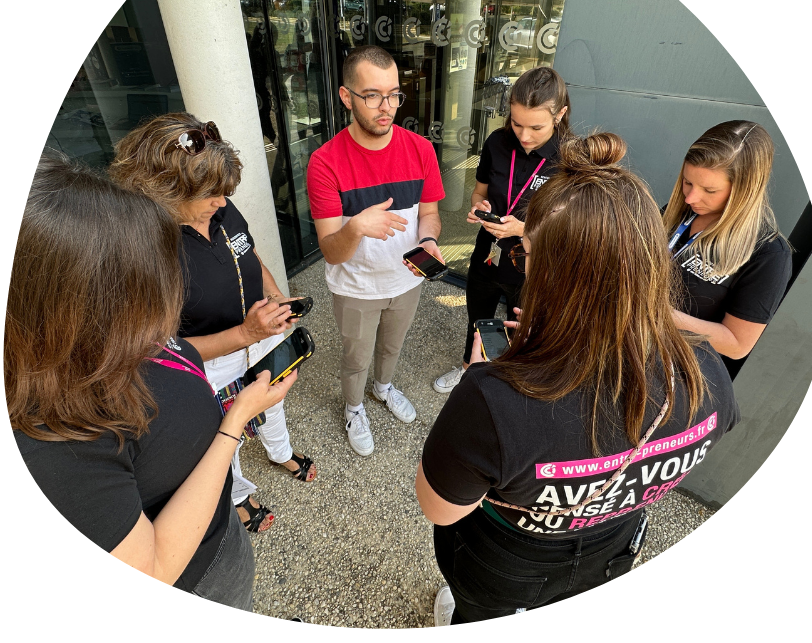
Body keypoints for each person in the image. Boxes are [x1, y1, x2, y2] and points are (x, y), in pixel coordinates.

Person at [416, 133, 740, 624]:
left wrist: (485, 375)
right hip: (613, 549)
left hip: (505, 560)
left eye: (525, 256)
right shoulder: (708, 373)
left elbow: (441, 510)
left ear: (551, 274)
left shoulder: (491, 398)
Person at [8, 153, 296, 609]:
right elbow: (154, 564)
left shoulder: (108, 339)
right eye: (133, 279)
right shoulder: (50, 439)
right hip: (198, 577)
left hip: (218, 532)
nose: (158, 302)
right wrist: (236, 417)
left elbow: (176, 352)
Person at [110, 113, 317, 535]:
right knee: (225, 434)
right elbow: (160, 351)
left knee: (272, 400)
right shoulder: (141, 252)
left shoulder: (219, 205)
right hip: (206, 363)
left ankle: (281, 452)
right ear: (166, 190)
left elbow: (249, 254)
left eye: (225, 192)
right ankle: (239, 493)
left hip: (256, 336)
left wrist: (276, 298)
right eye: (211, 194)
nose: (223, 203)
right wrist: (246, 334)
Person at [306, 45, 445, 457]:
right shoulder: (324, 163)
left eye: (394, 94)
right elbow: (332, 251)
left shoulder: (420, 149)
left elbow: (431, 213)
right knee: (355, 357)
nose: (386, 108)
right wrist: (356, 227)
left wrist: (430, 241)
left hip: (408, 277)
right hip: (355, 286)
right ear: (346, 96)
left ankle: (383, 389)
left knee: (392, 347)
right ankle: (353, 408)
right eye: (372, 96)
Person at [432, 66, 573, 394]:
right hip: (488, 252)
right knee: (481, 319)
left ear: (560, 114)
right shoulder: (497, 142)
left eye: (536, 127)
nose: (524, 135)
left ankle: (507, 382)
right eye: (516, 123)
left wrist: (525, 227)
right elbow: (480, 192)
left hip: (533, 263)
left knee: (522, 328)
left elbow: (571, 226)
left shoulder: (569, 158)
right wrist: (480, 207)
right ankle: (471, 368)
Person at [663, 120, 792, 366]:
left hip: (677, 372)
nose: (690, 197)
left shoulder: (769, 254)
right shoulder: (677, 213)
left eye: (709, 190)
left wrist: (657, 314)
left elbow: (736, 344)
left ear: (745, 189)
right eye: (688, 182)